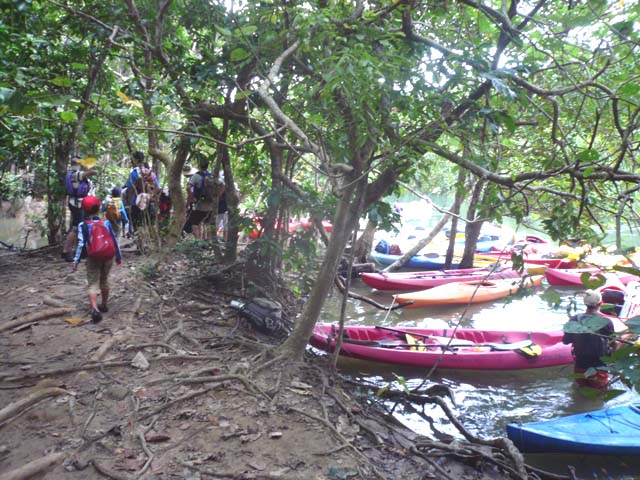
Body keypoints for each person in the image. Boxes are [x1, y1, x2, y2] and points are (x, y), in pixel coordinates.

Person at [72, 195, 122, 323]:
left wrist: (76, 261)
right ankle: (104, 305)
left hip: (93, 257)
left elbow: (81, 244)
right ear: (99, 208)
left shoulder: (83, 225)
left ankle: (95, 309)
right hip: (108, 256)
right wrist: (118, 256)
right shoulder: (105, 222)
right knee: (104, 280)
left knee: (93, 282)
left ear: (84, 209)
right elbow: (113, 239)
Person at [562, 289, 615, 390]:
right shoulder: (606, 322)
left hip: (580, 365)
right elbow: (613, 344)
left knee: (581, 391)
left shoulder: (574, 319)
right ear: (601, 303)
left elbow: (566, 341)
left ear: (584, 303)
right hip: (599, 367)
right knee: (600, 395)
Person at [61, 156, 96, 261]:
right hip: (77, 205)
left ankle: (80, 251)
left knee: (80, 228)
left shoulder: (73, 173)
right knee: (76, 228)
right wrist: (88, 164)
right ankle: (66, 251)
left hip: (79, 204)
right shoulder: (75, 174)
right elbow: (92, 172)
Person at [124, 151, 160, 233]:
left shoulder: (134, 173)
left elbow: (130, 189)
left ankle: (141, 244)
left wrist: (129, 204)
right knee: (149, 225)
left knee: (138, 226)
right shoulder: (150, 173)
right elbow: (157, 188)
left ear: (135, 160)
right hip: (149, 202)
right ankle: (150, 244)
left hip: (136, 203)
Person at [184, 159, 215, 240]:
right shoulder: (211, 175)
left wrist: (191, 198)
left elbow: (188, 187)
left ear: (199, 165)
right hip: (211, 203)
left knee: (195, 223)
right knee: (207, 223)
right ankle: (207, 241)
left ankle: (198, 241)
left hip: (200, 203)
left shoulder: (196, 176)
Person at [215, 172, 228, 240]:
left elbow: (222, 188)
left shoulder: (222, 184)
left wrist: (219, 196)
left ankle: (223, 239)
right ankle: (223, 239)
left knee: (220, 223)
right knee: (223, 223)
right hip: (224, 206)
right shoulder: (227, 184)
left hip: (223, 206)